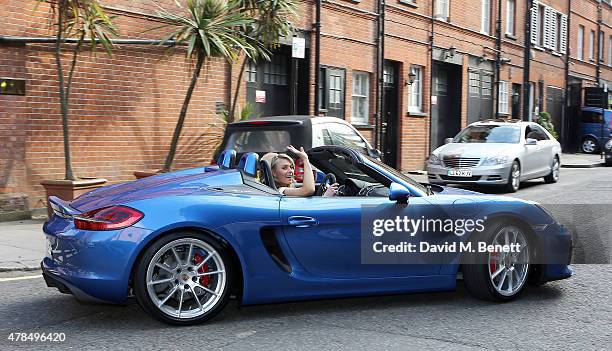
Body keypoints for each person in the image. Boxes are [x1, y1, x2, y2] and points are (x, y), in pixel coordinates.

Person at [262, 145, 338, 197]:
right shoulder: (281, 190)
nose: (291, 171)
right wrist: (305, 159)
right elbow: (308, 190)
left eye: (291, 167)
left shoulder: (289, 189)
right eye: (284, 168)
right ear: (273, 173)